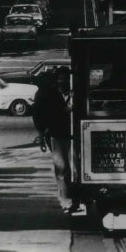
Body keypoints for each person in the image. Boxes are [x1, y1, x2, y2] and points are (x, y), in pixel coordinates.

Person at [32, 67, 77, 214]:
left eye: (65, 79)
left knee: (67, 168)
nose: (62, 81)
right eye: (59, 79)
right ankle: (67, 199)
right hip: (58, 134)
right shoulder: (48, 94)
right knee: (63, 168)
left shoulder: (51, 93)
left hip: (66, 134)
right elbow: (41, 116)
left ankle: (69, 198)